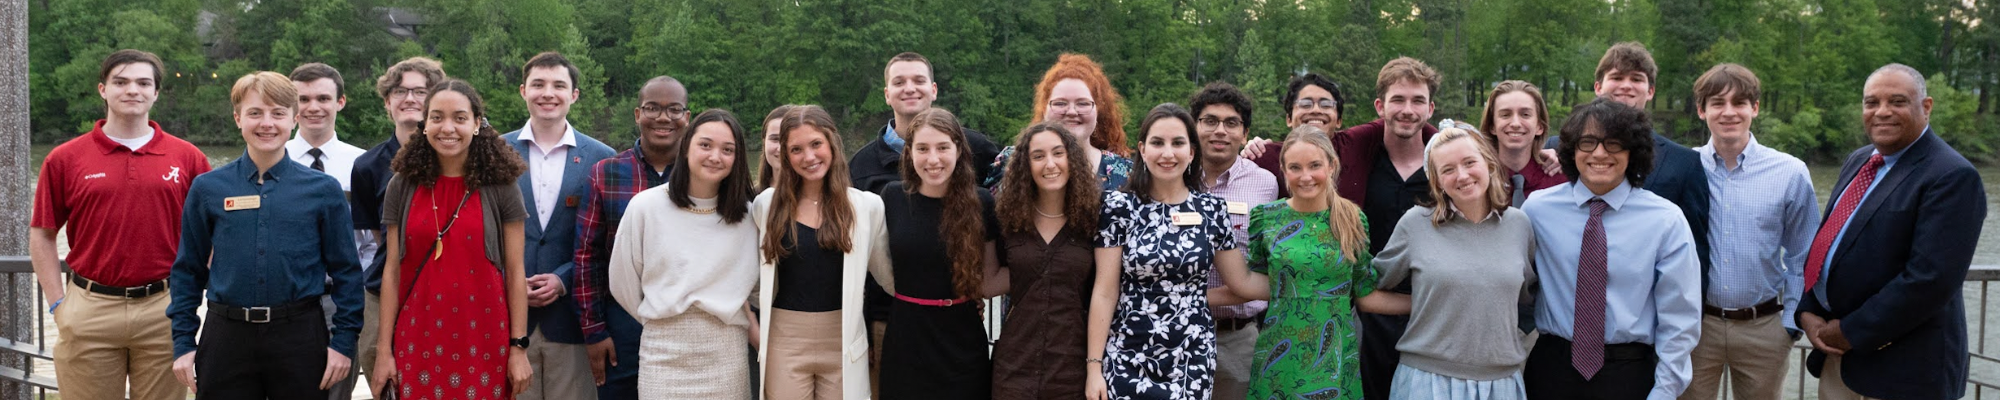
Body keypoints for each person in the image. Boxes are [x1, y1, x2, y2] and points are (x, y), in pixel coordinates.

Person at [166, 71, 364, 399]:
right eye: (255, 113)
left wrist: (343, 343)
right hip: (226, 337)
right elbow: (188, 270)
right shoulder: (208, 189)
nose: (266, 123)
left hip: (299, 335)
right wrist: (184, 343)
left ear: (294, 119)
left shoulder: (323, 190)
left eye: (278, 113)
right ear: (237, 119)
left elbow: (347, 272)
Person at [1796, 64, 1986, 400]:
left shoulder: (1951, 175)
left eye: (1897, 101)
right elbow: (1831, 241)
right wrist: (1808, 308)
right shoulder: (1859, 160)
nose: (1882, 112)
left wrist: (1849, 331)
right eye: (1871, 103)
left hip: (1904, 370)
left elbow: (1930, 279)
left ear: (1925, 107)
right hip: (1839, 358)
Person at [31, 48, 211, 400]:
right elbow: (42, 232)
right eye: (121, 82)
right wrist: (57, 304)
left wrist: (196, 292)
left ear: (156, 92)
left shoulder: (188, 157)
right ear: (103, 89)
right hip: (89, 307)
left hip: (166, 308)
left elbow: (214, 232)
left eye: (143, 83)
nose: (133, 90)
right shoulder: (65, 158)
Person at [1521, 98, 1700, 400]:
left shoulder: (1665, 220)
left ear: (1633, 152)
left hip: (1628, 374)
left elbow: (1680, 318)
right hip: (1551, 370)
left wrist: (1665, 392)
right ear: (1572, 151)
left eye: (1614, 143)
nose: (1600, 153)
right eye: (1587, 142)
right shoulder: (1538, 210)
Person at [370, 79, 533, 399]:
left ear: (476, 124)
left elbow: (515, 272)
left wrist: (518, 348)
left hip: (485, 340)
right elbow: (391, 272)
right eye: (437, 117)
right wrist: (383, 352)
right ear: (425, 123)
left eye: (459, 118)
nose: (448, 127)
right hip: (417, 339)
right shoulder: (401, 186)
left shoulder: (502, 185)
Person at [1212, 125, 1385, 400]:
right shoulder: (1265, 218)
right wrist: (1190, 296)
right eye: (1295, 167)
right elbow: (1256, 284)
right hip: (1280, 357)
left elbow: (1365, 293)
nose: (1305, 176)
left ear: (1331, 165)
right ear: (1283, 170)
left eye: (1314, 165)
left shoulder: (1353, 219)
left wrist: (1423, 302)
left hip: (1334, 359)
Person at [1366, 127, 1536, 399]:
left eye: (1470, 162)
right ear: (1436, 181)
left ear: (1489, 164)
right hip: (1428, 381)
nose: (1463, 175)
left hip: (1501, 382)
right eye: (1448, 169)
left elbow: (1525, 296)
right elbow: (1368, 290)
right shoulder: (1415, 224)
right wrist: (1425, 301)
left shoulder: (1519, 224)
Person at [1086, 104, 1243, 400]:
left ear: (1192, 152)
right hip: (1127, 355)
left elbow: (1241, 282)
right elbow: (1105, 292)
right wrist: (1094, 368)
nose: (1167, 153)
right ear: (1143, 150)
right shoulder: (1119, 208)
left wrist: (1308, 277)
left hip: (1191, 358)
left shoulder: (1212, 210)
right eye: (1158, 143)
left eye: (1178, 143)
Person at [1682, 63, 1818, 400]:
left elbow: (1805, 252)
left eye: (1740, 103)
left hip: (1764, 328)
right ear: (1702, 111)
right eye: (1717, 103)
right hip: (1696, 327)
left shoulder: (1789, 172)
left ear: (1754, 109)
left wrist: (1790, 322)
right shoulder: (1682, 167)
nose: (1729, 112)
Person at [607, 109, 760, 398]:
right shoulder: (646, 207)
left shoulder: (748, 216)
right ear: (687, 145)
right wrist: (662, 316)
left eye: (728, 150)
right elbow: (622, 282)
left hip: (725, 353)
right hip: (662, 352)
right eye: (705, 145)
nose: (715, 156)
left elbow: (758, 288)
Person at [1546, 43, 1714, 296]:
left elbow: (1695, 259)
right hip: (1568, 305)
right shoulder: (1558, 150)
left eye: (1636, 79)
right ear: (1598, 87)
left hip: (1646, 320)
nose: (1626, 85)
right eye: (1616, 77)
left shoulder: (1684, 163)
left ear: (1651, 91)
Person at [499, 51, 618, 400]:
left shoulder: (602, 157)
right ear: (523, 91)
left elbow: (606, 240)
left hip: (573, 320)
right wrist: (511, 279)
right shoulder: (494, 151)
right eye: (538, 84)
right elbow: (485, 230)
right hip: (507, 319)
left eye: (558, 85)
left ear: (574, 95)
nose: (547, 93)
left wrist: (563, 279)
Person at [753, 105, 890, 400]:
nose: (809, 157)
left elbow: (889, 279)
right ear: (786, 156)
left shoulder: (866, 207)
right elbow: (755, 279)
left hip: (843, 339)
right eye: (797, 149)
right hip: (784, 339)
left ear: (832, 143)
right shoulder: (766, 205)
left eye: (816, 144)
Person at [572, 75, 690, 400]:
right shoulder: (606, 172)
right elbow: (587, 257)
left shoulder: (705, 175)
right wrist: (594, 331)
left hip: (687, 320)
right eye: (652, 108)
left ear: (687, 118)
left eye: (673, 109)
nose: (663, 117)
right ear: (638, 115)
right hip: (622, 321)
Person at [877, 108, 1005, 399]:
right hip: (906, 339)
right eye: (922, 148)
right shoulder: (892, 197)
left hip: (961, 342)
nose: (933, 159)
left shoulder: (982, 202)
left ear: (959, 149)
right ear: (909, 152)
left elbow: (992, 275)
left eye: (943, 147)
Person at [347, 56, 446, 396]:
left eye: (421, 91)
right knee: (386, 384)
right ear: (388, 102)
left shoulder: (458, 157)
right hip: (383, 294)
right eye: (400, 91)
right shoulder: (367, 166)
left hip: (447, 292)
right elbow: (376, 239)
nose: (410, 98)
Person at [990, 122, 1101, 399]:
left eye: (1058, 153)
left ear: (1072, 159)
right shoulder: (1009, 221)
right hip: (1014, 368)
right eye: (1038, 156)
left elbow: (1107, 291)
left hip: (1073, 370)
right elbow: (989, 282)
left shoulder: (1095, 221)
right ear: (1025, 166)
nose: (1049, 164)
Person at [285, 62, 374, 400]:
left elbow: (371, 241)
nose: (312, 107)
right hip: (284, 301)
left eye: (323, 98)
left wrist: (357, 290)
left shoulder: (363, 165)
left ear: (340, 102)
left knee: (336, 393)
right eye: (302, 99)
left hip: (342, 301)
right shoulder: (271, 159)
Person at [1184, 82, 1279, 400]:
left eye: (1231, 123)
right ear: (1194, 126)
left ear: (1245, 133)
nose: (1219, 131)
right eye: (1209, 121)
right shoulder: (1170, 177)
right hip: (1175, 332)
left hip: (1237, 338)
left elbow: (1272, 263)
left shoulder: (1266, 184)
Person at [851, 52, 1002, 193]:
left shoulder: (976, 148)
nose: (909, 89)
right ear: (887, 95)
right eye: (899, 83)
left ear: (934, 90)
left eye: (919, 81)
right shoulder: (861, 166)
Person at [985, 53, 1134, 190]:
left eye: (1082, 103)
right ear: (1044, 109)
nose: (1071, 112)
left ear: (1098, 110)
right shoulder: (1010, 162)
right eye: (1060, 103)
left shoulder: (1125, 173)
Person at [1242, 72, 1347, 197]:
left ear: (1339, 120)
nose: (1316, 110)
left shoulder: (1356, 146)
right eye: (1305, 104)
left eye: (1326, 105)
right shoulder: (1262, 157)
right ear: (1289, 119)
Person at [1476, 80, 1567, 204]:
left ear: (1539, 126)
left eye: (1525, 114)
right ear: (1492, 126)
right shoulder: (1477, 179)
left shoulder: (1560, 180)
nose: (1515, 124)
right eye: (1505, 115)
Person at [758, 104, 798, 191]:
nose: (780, 149)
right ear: (764, 142)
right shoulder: (749, 199)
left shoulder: (821, 198)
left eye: (789, 139)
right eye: (775, 139)